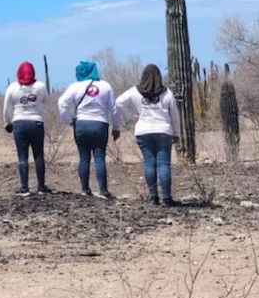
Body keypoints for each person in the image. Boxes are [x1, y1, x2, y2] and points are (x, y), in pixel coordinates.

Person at [116, 64, 181, 207]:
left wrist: (132, 115)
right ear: (159, 76)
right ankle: (167, 198)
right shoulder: (167, 93)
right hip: (163, 131)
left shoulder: (135, 91)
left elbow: (119, 102)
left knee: (149, 163)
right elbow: (174, 114)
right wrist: (176, 133)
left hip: (143, 132)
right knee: (163, 164)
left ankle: (153, 197)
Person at [58, 60, 121, 199]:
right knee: (99, 157)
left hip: (81, 124)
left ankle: (85, 190)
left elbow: (61, 103)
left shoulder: (75, 86)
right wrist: (116, 127)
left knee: (84, 157)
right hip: (100, 124)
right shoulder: (105, 86)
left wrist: (69, 121)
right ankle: (103, 191)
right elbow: (114, 109)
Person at [3, 61, 53, 197]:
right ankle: (41, 187)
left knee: (22, 156)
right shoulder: (40, 86)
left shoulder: (12, 87)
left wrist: (7, 122)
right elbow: (47, 101)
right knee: (39, 155)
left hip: (19, 123)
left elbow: (6, 108)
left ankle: (24, 188)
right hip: (36, 123)